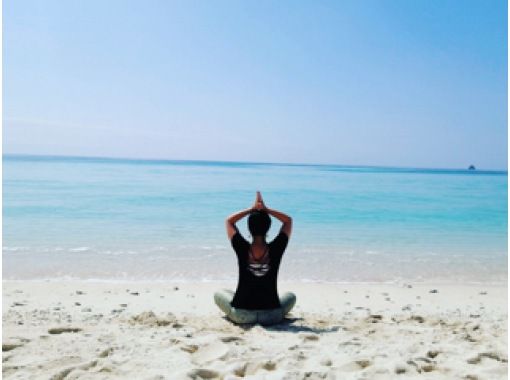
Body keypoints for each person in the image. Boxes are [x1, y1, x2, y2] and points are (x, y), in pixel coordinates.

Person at [214, 191, 296, 325]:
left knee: (219, 294)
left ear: (249, 228)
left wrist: (251, 209)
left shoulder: (241, 247)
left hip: (242, 315)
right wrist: (267, 209)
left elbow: (229, 221)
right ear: (268, 227)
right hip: (271, 316)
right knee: (291, 296)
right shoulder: (277, 248)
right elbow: (288, 220)